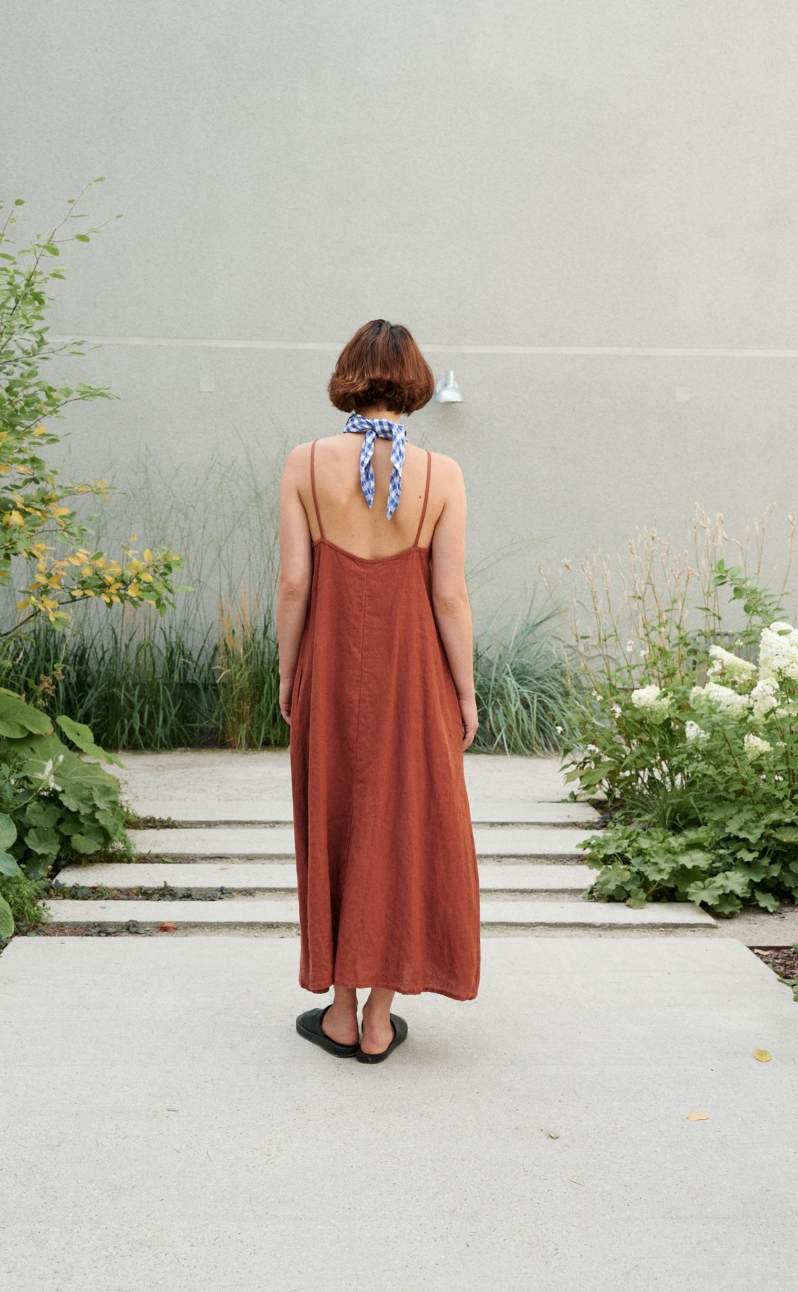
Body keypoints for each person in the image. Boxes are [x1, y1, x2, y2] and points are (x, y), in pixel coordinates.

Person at [276, 319, 481, 1064]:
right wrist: (465, 691)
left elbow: (296, 581)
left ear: (347, 376)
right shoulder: (442, 474)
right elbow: (450, 597)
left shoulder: (304, 463)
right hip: (413, 675)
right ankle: (379, 1019)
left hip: (330, 671)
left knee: (335, 815)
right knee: (403, 823)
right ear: (416, 383)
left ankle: (338, 1009)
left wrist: (287, 670)